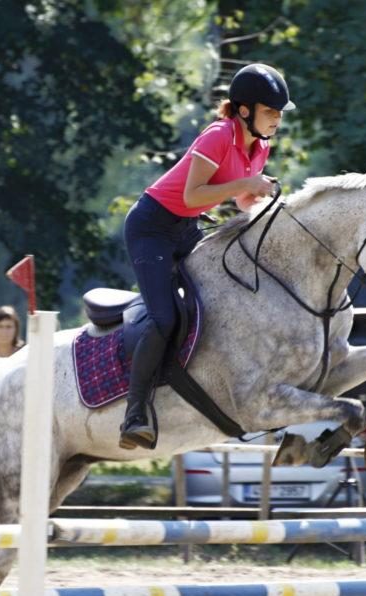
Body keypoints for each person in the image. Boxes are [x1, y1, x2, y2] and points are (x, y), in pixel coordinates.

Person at [119, 63, 295, 450]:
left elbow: (242, 199)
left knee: (221, 298)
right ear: (244, 110)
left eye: (280, 113)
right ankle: (134, 413)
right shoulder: (218, 136)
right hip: (151, 228)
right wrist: (247, 182)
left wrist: (266, 205)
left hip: (185, 227)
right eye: (271, 111)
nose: (277, 119)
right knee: (165, 318)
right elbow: (192, 195)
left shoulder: (260, 146)